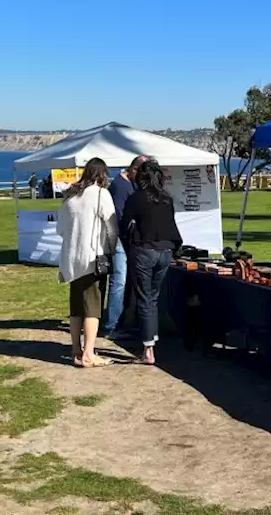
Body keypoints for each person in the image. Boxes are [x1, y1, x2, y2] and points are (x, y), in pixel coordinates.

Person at [119, 160, 182, 366]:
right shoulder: (167, 199)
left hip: (144, 250)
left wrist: (128, 241)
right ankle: (151, 339)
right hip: (165, 250)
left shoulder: (136, 198)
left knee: (145, 298)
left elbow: (123, 224)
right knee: (153, 297)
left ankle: (148, 349)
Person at [56, 159, 117, 368]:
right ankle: (89, 353)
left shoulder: (71, 197)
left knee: (76, 307)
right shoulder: (101, 194)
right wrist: (111, 249)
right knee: (93, 307)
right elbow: (111, 227)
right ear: (102, 174)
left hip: (72, 259)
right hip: (93, 257)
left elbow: (60, 229)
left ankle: (76, 349)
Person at [106, 156, 148, 340]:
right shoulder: (120, 186)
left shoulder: (129, 184)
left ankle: (121, 322)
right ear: (134, 169)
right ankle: (112, 326)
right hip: (119, 239)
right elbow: (122, 217)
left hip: (126, 240)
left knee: (126, 282)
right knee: (119, 281)